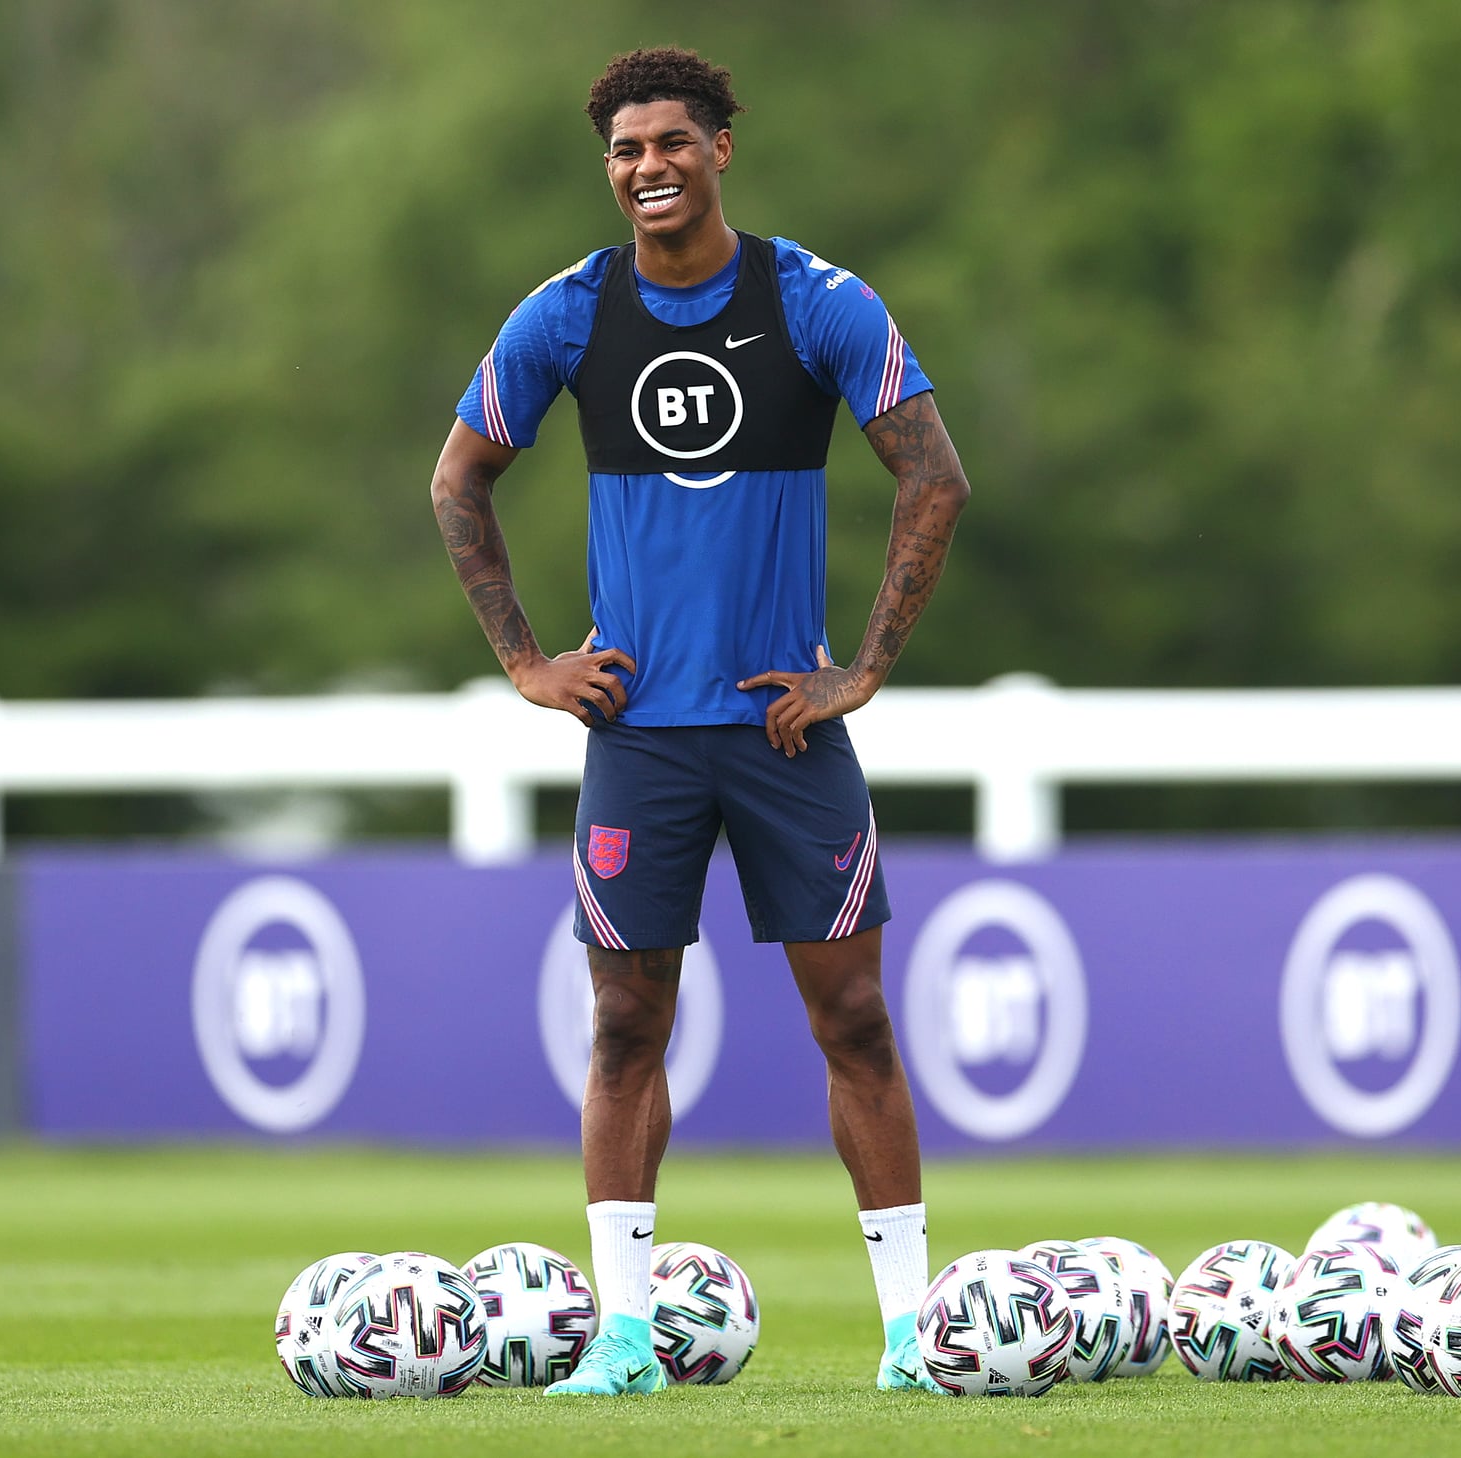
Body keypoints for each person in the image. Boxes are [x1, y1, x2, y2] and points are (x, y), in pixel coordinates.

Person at [430, 45, 969, 1397]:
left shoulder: (814, 302)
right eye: (625, 150)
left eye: (673, 141)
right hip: (641, 741)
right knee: (623, 1025)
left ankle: (910, 1333)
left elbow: (934, 476)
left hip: (786, 731)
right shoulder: (569, 315)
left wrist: (863, 669)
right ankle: (623, 1335)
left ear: (722, 147)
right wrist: (527, 663)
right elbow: (458, 481)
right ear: (607, 170)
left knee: (853, 1019)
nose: (648, 167)